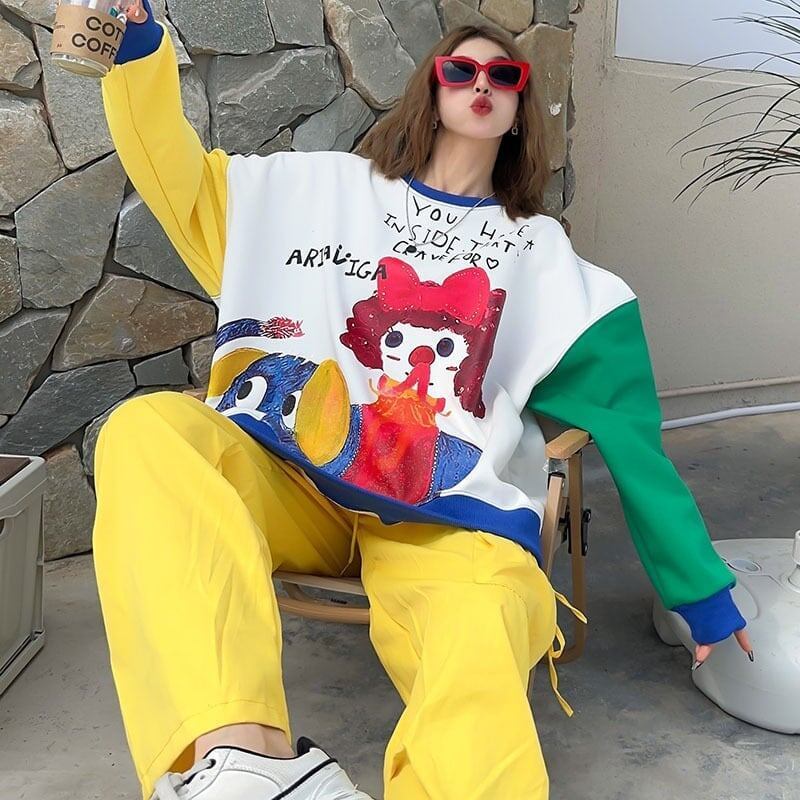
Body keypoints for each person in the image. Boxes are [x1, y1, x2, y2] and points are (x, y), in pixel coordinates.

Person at [92, 2, 753, 799]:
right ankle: (245, 765)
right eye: (460, 69)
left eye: (504, 75)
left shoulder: (546, 260)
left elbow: (629, 428)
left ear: (520, 109)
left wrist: (700, 594)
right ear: (431, 90)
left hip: (444, 514)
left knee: (484, 615)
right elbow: (182, 183)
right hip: (292, 482)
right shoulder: (323, 192)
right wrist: (136, 49)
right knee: (149, 429)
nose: (482, 83)